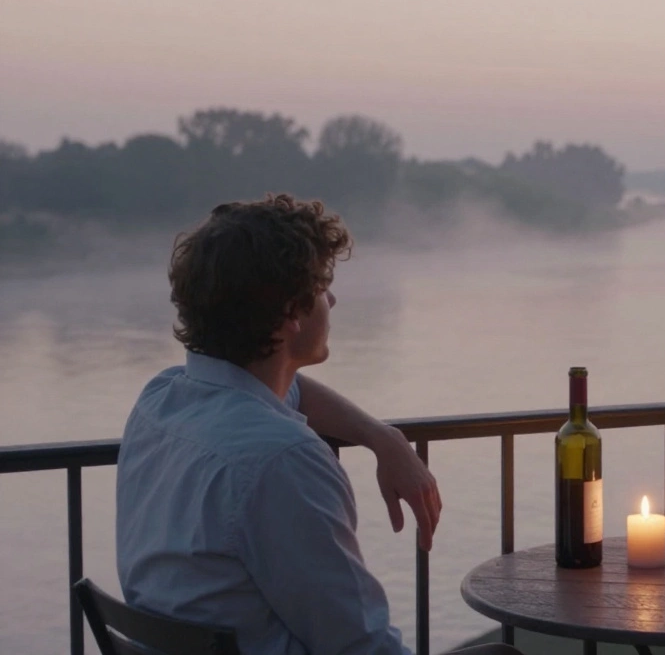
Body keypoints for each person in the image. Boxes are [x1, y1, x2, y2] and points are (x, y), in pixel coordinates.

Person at [116, 194, 520, 655]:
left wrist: (381, 438)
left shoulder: (162, 400)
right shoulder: (282, 459)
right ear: (291, 312)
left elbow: (290, 392)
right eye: (323, 286)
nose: (332, 298)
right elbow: (359, 645)